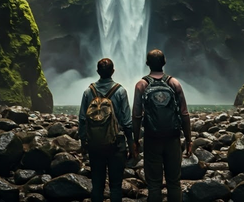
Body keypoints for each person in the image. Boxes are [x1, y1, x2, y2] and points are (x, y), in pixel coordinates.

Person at [132, 49, 192, 202]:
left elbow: (137, 116)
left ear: (147, 64)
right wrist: (189, 140)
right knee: (174, 183)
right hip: (172, 138)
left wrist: (135, 140)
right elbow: (184, 113)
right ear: (164, 62)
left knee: (154, 184)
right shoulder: (174, 83)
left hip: (152, 139)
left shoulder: (141, 85)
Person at [78, 58, 135, 202]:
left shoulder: (87, 92)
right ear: (113, 71)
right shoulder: (120, 91)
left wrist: (84, 141)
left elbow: (83, 119)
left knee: (97, 185)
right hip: (116, 142)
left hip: (95, 143)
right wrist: (131, 142)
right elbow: (127, 121)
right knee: (116, 186)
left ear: (97, 72)